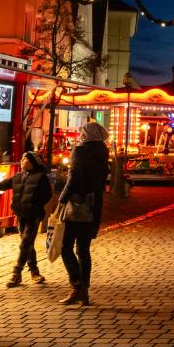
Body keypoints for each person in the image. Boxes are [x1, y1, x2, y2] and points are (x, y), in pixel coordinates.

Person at [58, 121, 111, 306]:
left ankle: (76, 286)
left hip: (78, 203)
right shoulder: (103, 152)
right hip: (94, 203)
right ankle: (84, 291)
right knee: (83, 249)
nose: (80, 135)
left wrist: (61, 199)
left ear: (86, 134)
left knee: (65, 246)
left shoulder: (80, 150)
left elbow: (73, 176)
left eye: (81, 132)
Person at [0, 150, 53, 287]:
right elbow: (0, 186)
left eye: (25, 159)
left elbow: (47, 195)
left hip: (33, 215)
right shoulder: (17, 177)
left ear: (33, 162)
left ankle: (17, 273)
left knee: (25, 243)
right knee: (27, 244)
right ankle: (35, 272)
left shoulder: (41, 178)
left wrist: (35, 205)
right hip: (20, 215)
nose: (22, 161)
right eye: (21, 159)